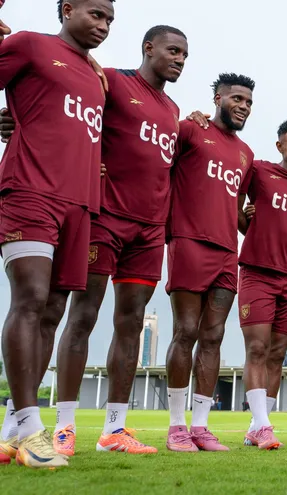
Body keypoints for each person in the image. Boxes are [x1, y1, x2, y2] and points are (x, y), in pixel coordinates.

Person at [19, 25, 187, 458]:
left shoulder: (172, 108)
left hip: (149, 230)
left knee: (130, 322)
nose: (180, 60)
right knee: (83, 315)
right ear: (148, 48)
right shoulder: (109, 79)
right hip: (104, 218)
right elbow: (65, 109)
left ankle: (115, 428)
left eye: (184, 55)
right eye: (173, 51)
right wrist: (14, 121)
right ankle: (63, 426)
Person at [0, 0, 114, 469]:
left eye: (110, 19)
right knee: (29, 298)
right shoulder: (29, 45)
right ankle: (31, 428)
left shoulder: (97, 76)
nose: (103, 25)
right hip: (30, 190)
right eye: (95, 14)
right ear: (67, 9)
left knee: (52, 309)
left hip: (80, 204)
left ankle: (11, 428)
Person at [163, 72, 255, 453]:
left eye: (248, 102)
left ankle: (201, 427)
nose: (243, 106)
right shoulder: (188, 130)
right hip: (187, 242)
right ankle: (175, 427)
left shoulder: (245, 154)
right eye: (236, 98)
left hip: (225, 251)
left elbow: (236, 211)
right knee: (186, 330)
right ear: (218, 98)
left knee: (214, 336)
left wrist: (252, 220)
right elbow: (159, 169)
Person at [236, 119, 287, 450]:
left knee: (278, 354)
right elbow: (232, 200)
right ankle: (265, 426)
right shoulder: (259, 171)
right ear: (280, 147)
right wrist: (246, 222)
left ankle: (257, 426)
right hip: (256, 272)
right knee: (257, 348)